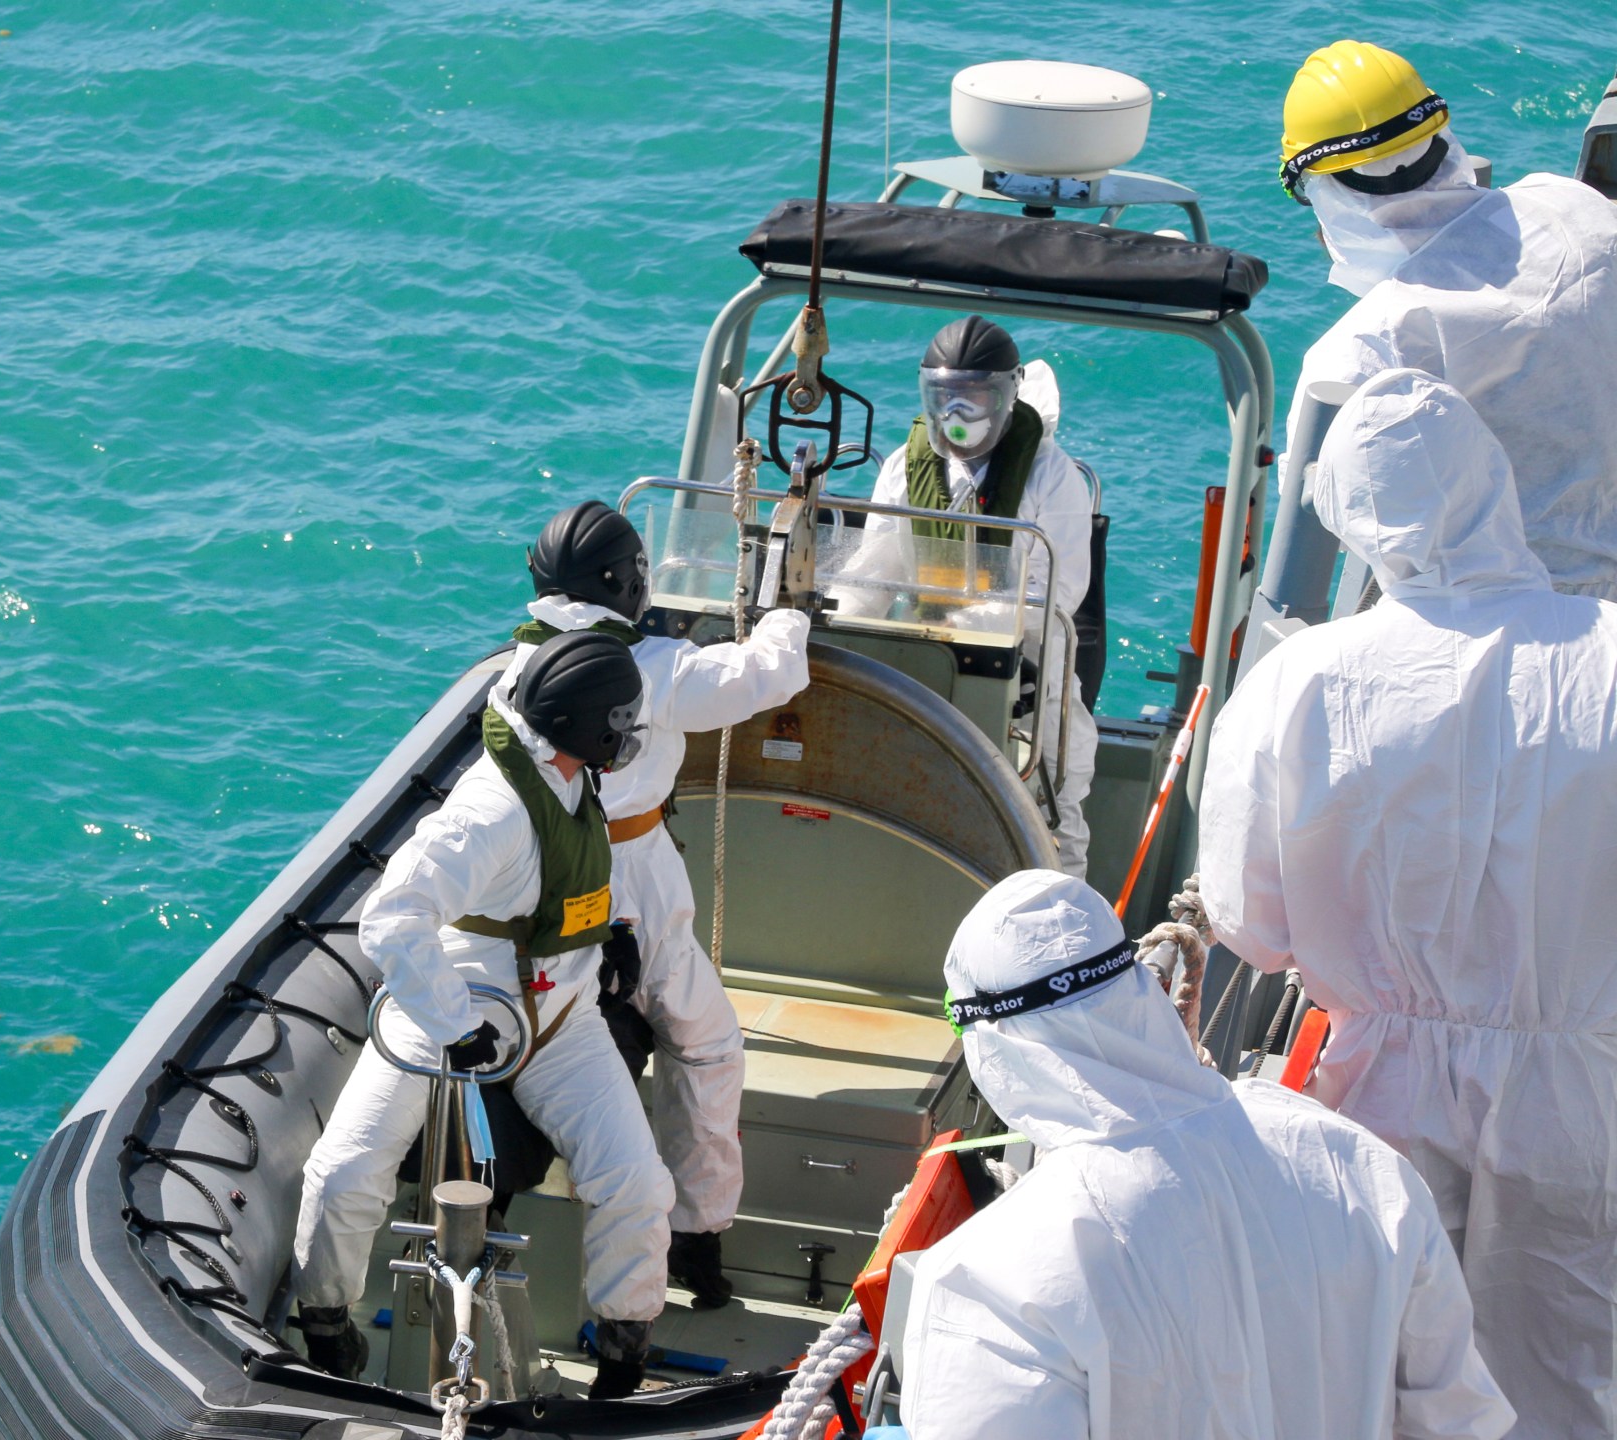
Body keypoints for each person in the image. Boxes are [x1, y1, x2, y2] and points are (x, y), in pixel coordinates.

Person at [1198, 367, 1617, 1437]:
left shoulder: (1303, 680)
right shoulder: (1609, 658)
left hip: (1376, 1091)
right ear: (1494, 486)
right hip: (1587, 1096)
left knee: (1373, 1374)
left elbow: (1250, 924)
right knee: (1572, 1375)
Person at [901, 869, 1513, 1440]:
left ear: (992, 1042)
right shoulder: (1353, 1160)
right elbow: (1460, 1419)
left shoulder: (989, 1276)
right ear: (1142, 986)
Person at [290, 628, 675, 1399]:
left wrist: (619, 931)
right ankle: (327, 1327)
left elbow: (579, 870)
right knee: (343, 1172)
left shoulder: (568, 776)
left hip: (559, 1020)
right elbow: (394, 915)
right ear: (586, 730)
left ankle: (623, 1361)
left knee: (636, 1183)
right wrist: (452, 1024)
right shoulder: (490, 813)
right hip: (454, 1013)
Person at [513, 500, 811, 1307]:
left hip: (534, 874)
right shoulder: (656, 667)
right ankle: (697, 1233)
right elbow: (767, 675)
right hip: (632, 873)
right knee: (706, 1044)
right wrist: (787, 616)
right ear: (627, 581)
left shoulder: (515, 663)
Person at [1282, 40, 1617, 599]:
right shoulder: (1574, 208)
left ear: (1324, 192)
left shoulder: (1364, 347)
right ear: (1441, 137)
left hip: (1518, 631)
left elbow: (1339, 523)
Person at [850, 316, 1098, 876]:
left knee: (1053, 811)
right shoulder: (903, 468)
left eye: (974, 397)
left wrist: (966, 622)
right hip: (926, 665)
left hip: (1028, 675)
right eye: (945, 397)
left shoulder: (1051, 478)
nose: (956, 415)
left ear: (1007, 396)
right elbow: (876, 569)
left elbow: (1054, 597)